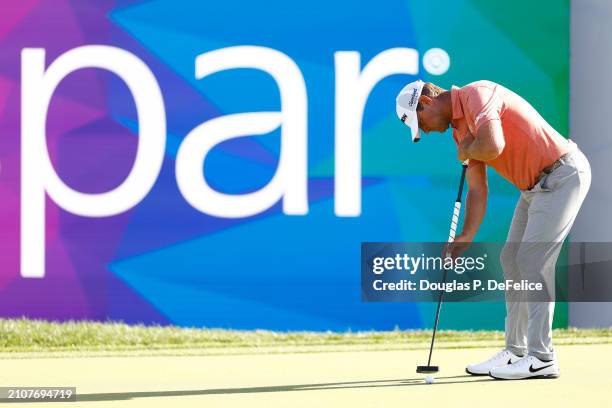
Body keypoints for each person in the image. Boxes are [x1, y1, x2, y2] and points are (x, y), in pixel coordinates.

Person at [395, 80, 591, 380]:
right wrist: (465, 236)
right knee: (511, 261)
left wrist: (467, 150)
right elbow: (478, 189)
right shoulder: (460, 131)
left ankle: (542, 358)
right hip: (533, 188)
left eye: (421, 122)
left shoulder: (478, 94)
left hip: (562, 175)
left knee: (532, 262)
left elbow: (492, 145)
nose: (428, 131)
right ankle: (516, 352)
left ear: (426, 101)